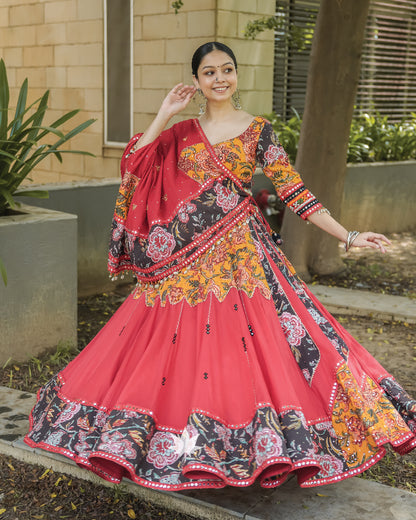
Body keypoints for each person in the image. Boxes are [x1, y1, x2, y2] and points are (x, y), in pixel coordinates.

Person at [25, 42, 416, 491]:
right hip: (184, 266)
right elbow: (135, 165)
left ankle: (262, 445)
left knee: (255, 350)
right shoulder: (180, 132)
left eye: (226, 69)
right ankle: (177, 441)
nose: (219, 79)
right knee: (178, 352)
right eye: (208, 72)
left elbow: (295, 193)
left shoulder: (258, 132)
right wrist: (165, 113)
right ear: (197, 80)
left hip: (243, 261)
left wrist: (348, 235)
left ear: (235, 75)